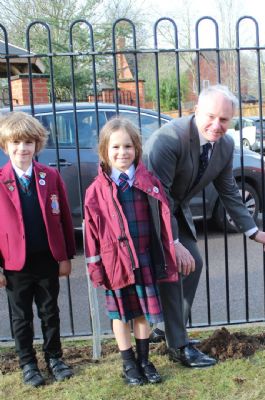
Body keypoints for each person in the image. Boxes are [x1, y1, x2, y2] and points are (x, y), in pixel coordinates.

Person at [143, 84, 265, 368]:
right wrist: (173, 243)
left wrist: (254, 231)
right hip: (147, 210)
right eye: (211, 116)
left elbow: (228, 190)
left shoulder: (225, 145)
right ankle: (177, 345)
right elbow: (158, 197)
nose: (217, 125)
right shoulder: (168, 140)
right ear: (196, 111)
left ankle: (168, 330)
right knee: (171, 268)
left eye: (225, 119)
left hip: (174, 208)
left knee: (193, 264)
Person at [84, 117, 178, 386]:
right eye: (115, 147)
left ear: (137, 149)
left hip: (145, 257)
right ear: (105, 151)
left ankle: (145, 361)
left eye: (128, 146)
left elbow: (163, 220)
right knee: (120, 315)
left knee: (141, 314)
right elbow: (91, 236)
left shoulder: (148, 182)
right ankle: (128, 364)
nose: (122, 153)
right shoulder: (96, 192)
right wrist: (94, 265)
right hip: (116, 263)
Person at [0, 112, 76, 387]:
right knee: (21, 317)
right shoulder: (0, 179)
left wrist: (66, 257)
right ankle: (28, 364)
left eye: (29, 142)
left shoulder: (50, 176)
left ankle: (54, 358)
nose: (23, 148)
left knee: (49, 311)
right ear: (6, 145)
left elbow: (65, 218)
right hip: (15, 264)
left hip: (47, 260)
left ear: (37, 145)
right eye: (16, 142)